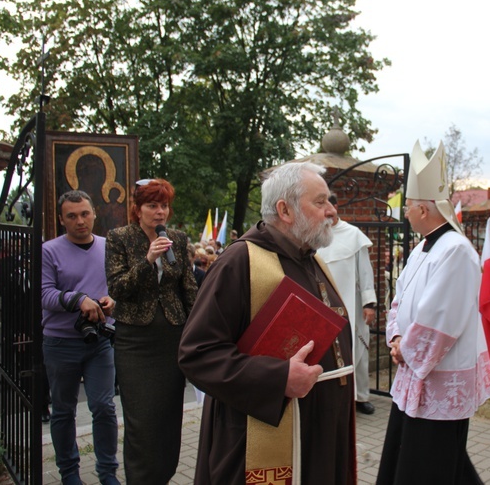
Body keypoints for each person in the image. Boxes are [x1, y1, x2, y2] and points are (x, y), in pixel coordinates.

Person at [178, 162, 356, 484]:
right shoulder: (239, 262)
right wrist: (279, 378)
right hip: (258, 438)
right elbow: (197, 354)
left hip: (318, 434)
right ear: (285, 210)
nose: (331, 211)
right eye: (320, 202)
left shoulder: (311, 259)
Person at [376, 141, 490, 485]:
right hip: (414, 369)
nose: (406, 213)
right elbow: (399, 299)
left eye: (409, 207)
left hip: (437, 373)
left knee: (432, 462)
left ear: (424, 210)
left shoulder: (455, 251)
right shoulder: (420, 249)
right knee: (419, 456)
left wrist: (407, 349)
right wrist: (397, 337)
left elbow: (442, 317)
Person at [105, 179, 197, 483]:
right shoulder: (119, 238)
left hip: (172, 337)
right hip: (135, 342)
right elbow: (118, 288)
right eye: (152, 205)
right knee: (141, 420)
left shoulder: (178, 240)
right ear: (137, 209)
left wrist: (200, 326)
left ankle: (164, 475)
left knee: (169, 417)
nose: (160, 213)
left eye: (164, 206)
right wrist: (148, 260)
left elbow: (188, 289)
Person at [40, 190, 119, 485]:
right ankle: (70, 474)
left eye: (84, 214)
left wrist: (112, 301)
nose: (80, 221)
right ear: (62, 220)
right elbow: (44, 294)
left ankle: (108, 473)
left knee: (104, 406)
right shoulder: (49, 250)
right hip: (60, 341)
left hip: (99, 341)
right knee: (63, 410)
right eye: (71, 216)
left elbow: (118, 286)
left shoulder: (108, 246)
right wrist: (78, 299)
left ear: (94, 213)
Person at [318, 192, 378, 415]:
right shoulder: (314, 235)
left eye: (331, 211)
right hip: (323, 305)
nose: (328, 215)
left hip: (351, 304)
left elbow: (365, 270)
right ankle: (333, 397)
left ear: (336, 208)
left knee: (358, 352)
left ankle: (361, 397)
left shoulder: (353, 234)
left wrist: (369, 303)